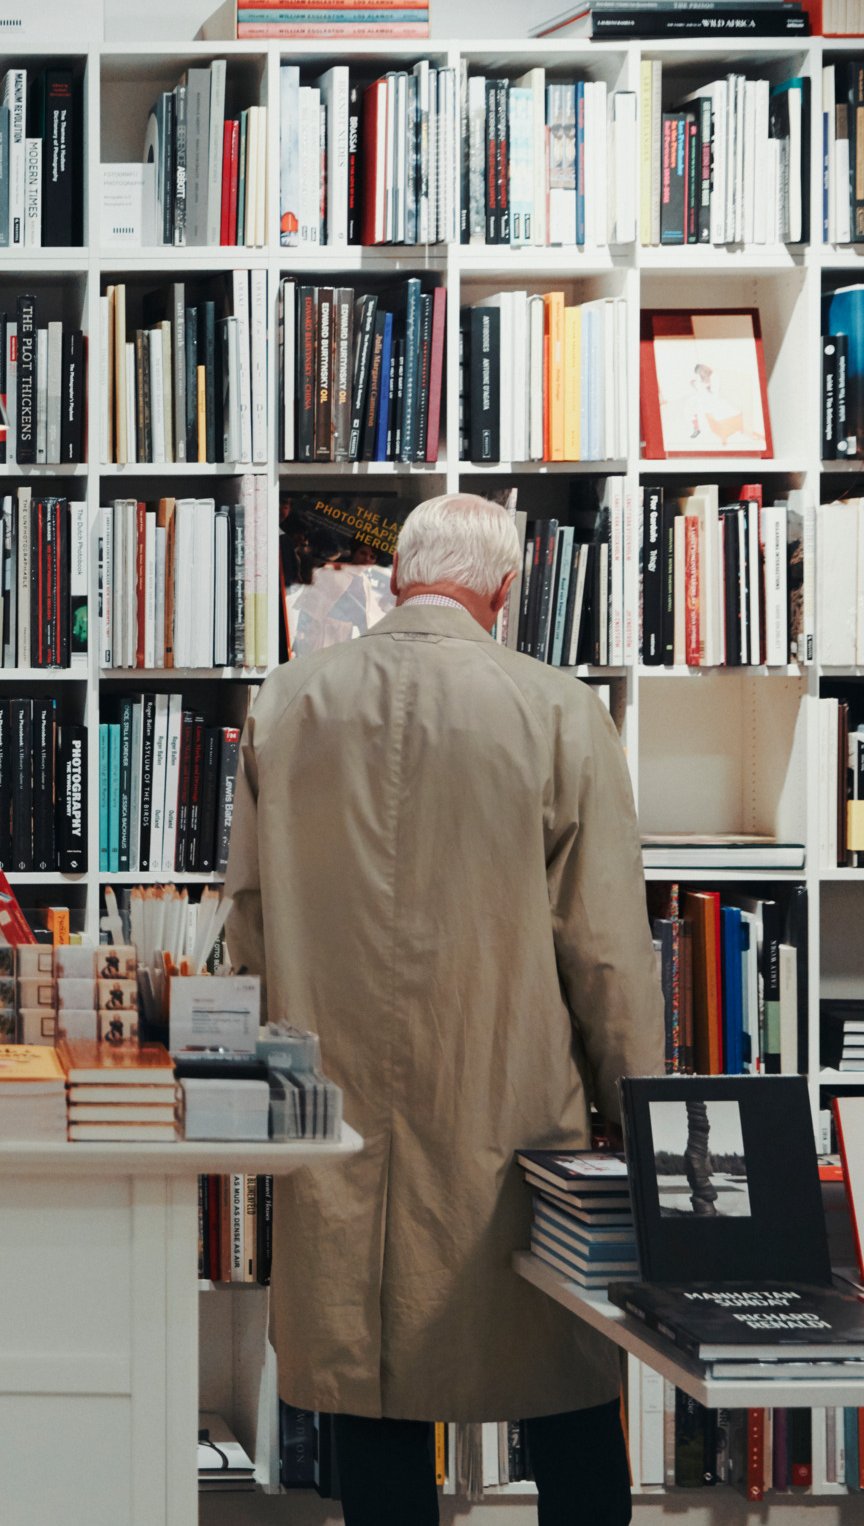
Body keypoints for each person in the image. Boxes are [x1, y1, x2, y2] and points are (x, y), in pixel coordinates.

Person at [225, 493, 661, 1525]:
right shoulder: (558, 708)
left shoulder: (286, 702)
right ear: (503, 590)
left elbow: (244, 924)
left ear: (398, 576)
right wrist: (635, 1114)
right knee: (564, 1381)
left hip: (329, 1118)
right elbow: (600, 945)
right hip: (510, 1115)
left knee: (370, 1391)